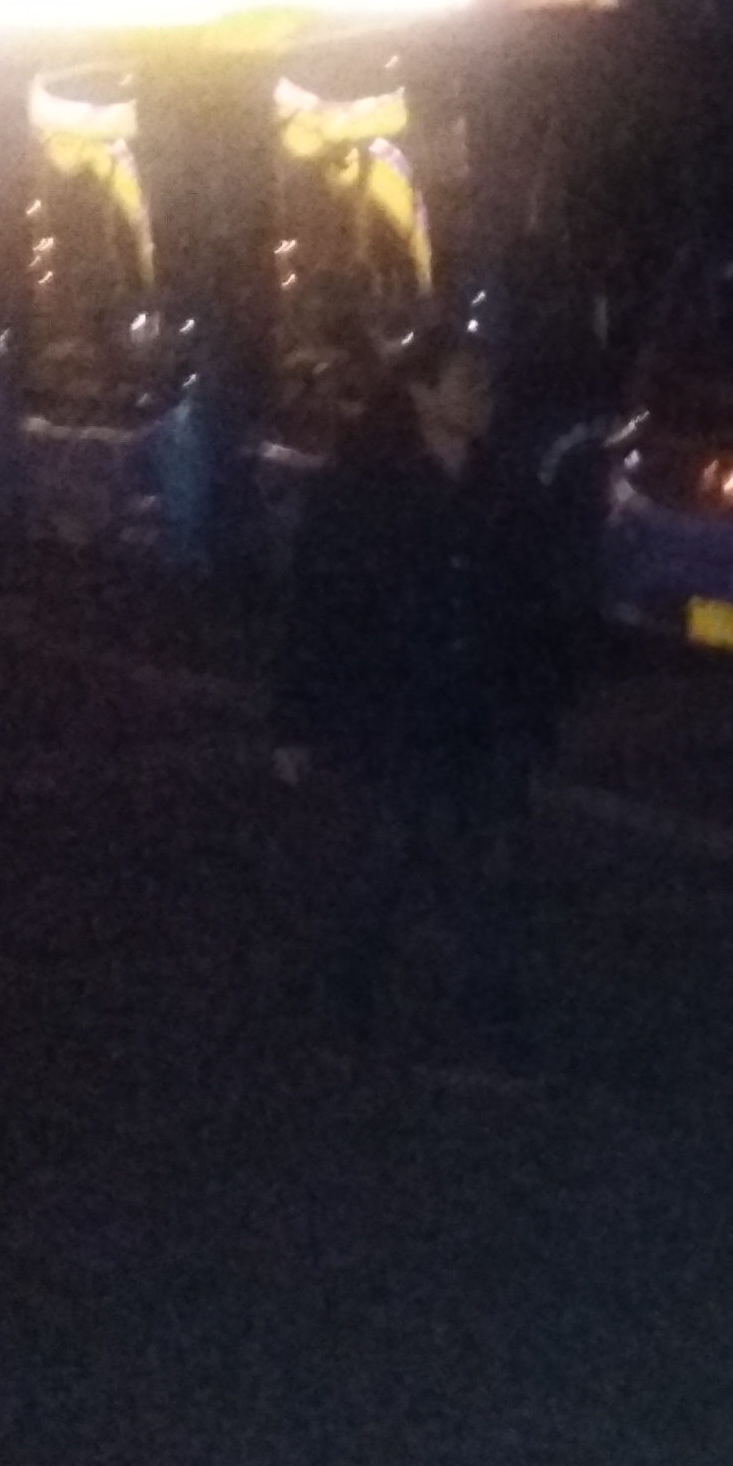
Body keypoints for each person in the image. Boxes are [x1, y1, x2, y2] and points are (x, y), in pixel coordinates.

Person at [268, 326, 578, 1078]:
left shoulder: (507, 485)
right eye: (466, 382)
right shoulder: (361, 485)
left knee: (485, 874)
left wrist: (540, 702)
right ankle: (347, 1004)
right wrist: (295, 719)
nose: (484, 396)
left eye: (485, 382)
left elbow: (537, 603)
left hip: (481, 711)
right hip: (394, 708)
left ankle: (492, 1021)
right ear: (421, 391)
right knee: (382, 863)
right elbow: (317, 605)